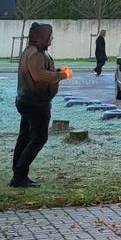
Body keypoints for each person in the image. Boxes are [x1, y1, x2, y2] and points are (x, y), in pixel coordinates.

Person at [12, 22, 72, 188]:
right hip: (35, 103)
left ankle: (18, 174)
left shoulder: (31, 51)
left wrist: (57, 71)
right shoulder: (35, 54)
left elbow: (39, 73)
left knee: (25, 137)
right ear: (42, 37)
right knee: (39, 138)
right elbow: (38, 75)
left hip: (28, 100)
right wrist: (62, 75)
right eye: (50, 36)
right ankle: (19, 175)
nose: (52, 38)